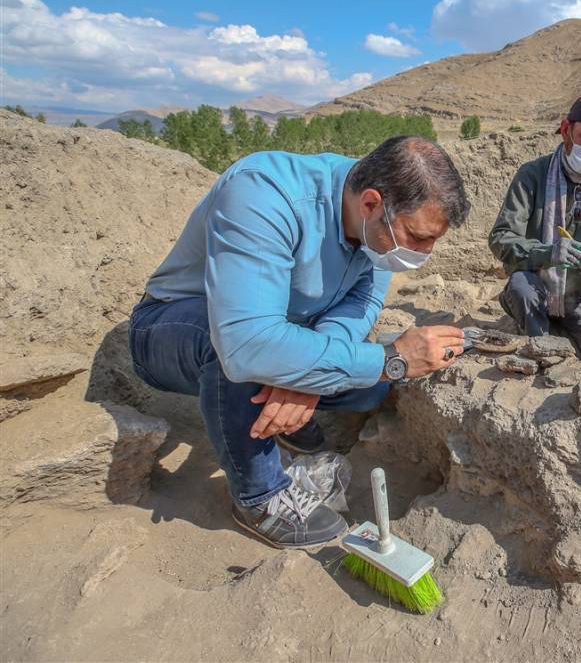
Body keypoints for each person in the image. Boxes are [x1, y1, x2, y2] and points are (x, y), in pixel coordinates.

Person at [128, 136, 470, 548]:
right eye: (417, 237)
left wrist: (305, 379)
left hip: (281, 331)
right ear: (372, 204)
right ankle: (259, 496)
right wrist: (390, 359)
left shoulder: (374, 225)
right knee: (243, 357)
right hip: (177, 327)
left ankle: (286, 412)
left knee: (368, 388)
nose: (424, 253)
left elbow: (360, 302)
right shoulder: (264, 193)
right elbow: (246, 342)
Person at [488, 95, 581, 372]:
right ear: (566, 130)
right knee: (522, 291)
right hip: (536, 287)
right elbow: (501, 237)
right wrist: (549, 253)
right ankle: (535, 331)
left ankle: (560, 325)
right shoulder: (532, 175)